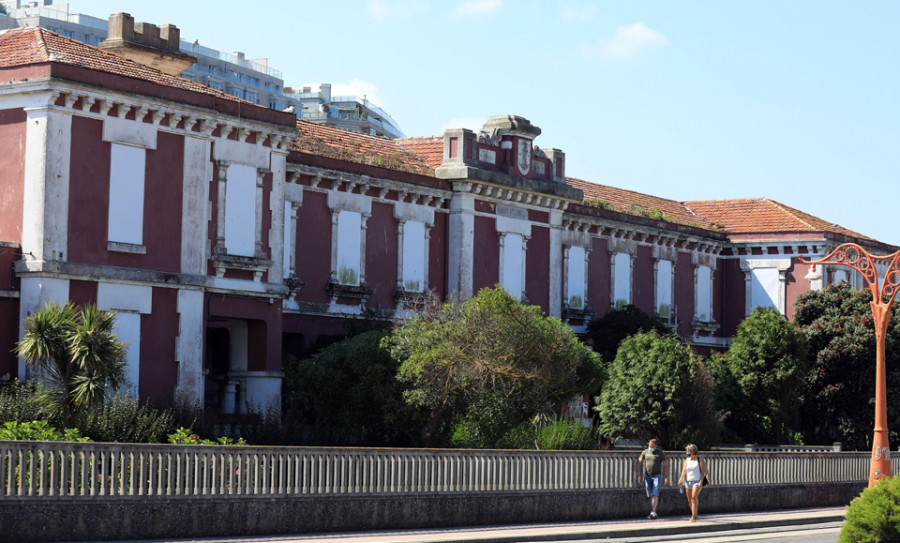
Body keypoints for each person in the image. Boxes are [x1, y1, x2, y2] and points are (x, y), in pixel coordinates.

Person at [636, 438, 669, 519]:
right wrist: (637, 472)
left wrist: (666, 477)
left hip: (657, 475)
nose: (650, 447)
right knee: (651, 494)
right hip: (648, 475)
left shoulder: (660, 453)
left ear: (656, 446)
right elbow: (639, 461)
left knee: (655, 493)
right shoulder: (645, 452)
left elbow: (666, 465)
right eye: (649, 445)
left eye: (652, 446)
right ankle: (654, 512)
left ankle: (653, 511)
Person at [677, 443, 710, 522]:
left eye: (687, 451)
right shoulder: (687, 460)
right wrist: (681, 479)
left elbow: (703, 472)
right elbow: (684, 470)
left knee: (693, 498)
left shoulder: (700, 460)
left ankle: (694, 517)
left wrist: (701, 482)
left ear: (691, 451)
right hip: (688, 481)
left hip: (697, 481)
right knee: (689, 499)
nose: (686, 452)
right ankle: (694, 513)